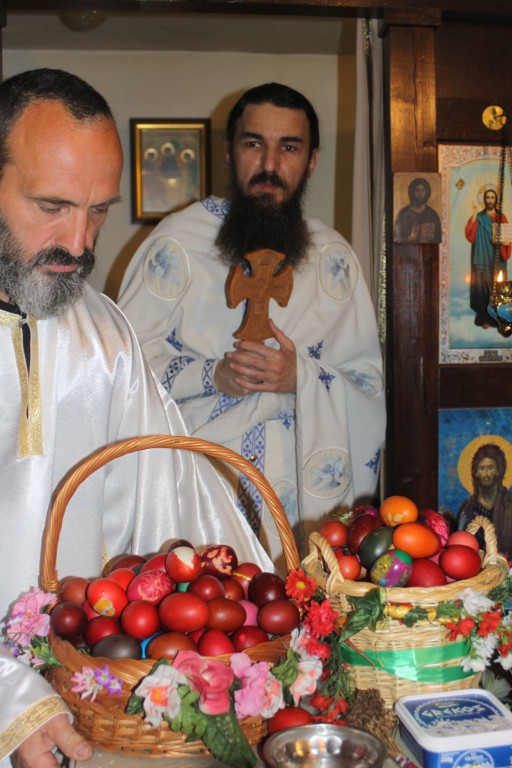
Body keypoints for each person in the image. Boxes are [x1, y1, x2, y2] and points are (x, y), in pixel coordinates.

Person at [0, 69, 272, 768]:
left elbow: (171, 488)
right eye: (52, 205)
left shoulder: (103, 334)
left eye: (98, 211)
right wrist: (8, 694)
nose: (78, 242)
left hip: (87, 702)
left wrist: (260, 616)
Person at [118, 82, 386, 568]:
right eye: (253, 143)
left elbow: (367, 386)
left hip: (300, 502)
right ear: (229, 151)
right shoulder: (176, 243)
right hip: (197, 485)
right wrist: (213, 375)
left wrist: (301, 378)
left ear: (312, 160)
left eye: (289, 147)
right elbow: (121, 371)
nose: (269, 164)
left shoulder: (334, 262)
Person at [464, 187, 511, 328]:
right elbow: (470, 236)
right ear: (484, 200)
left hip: (497, 258)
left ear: (496, 200)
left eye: (492, 197)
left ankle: (498, 318)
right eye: (487, 197)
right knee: (482, 285)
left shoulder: (501, 218)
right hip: (482, 258)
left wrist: (506, 243)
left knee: (497, 285)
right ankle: (483, 316)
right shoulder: (478, 217)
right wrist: (473, 214)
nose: (490, 200)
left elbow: (507, 239)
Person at [457, 442, 512, 556]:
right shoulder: (467, 509)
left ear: (498, 471)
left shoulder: (510, 503)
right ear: (476, 472)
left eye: (490, 468)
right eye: (482, 468)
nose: (486, 474)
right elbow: (460, 547)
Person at [393, 176, 441, 243]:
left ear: (427, 193)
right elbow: (396, 238)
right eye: (417, 190)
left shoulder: (433, 214)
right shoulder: (403, 214)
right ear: (412, 192)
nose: (420, 194)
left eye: (423, 190)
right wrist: (409, 238)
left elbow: (438, 238)